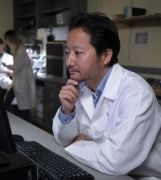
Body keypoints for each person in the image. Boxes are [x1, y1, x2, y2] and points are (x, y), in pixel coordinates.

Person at [52, 12, 161, 179]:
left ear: (105, 56)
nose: (69, 62)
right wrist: (67, 111)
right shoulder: (81, 86)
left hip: (138, 176)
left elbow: (116, 160)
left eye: (78, 53)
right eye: (67, 52)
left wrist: (77, 144)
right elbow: (62, 139)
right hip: (94, 169)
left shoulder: (137, 94)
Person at [4, 30, 36, 122]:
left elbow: (17, 67)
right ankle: (4, 120)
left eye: (7, 40)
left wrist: (6, 65)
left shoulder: (20, 50)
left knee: (24, 107)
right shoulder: (17, 49)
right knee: (8, 100)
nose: (7, 42)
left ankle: (29, 126)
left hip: (22, 82)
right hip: (18, 81)